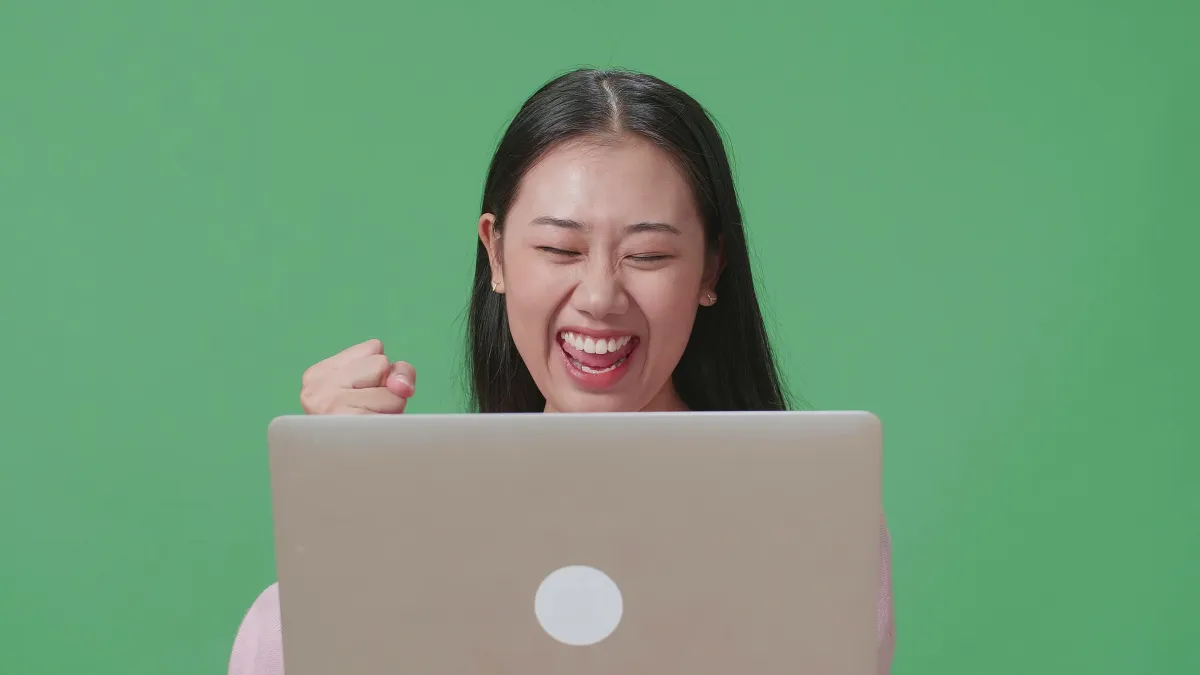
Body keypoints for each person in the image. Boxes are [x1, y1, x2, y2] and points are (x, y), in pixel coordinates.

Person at [228, 67, 896, 674]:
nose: (600, 296)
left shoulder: (808, 517)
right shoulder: (416, 523)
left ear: (711, 267)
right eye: (558, 247)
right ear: (496, 253)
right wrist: (342, 516)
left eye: (650, 254)